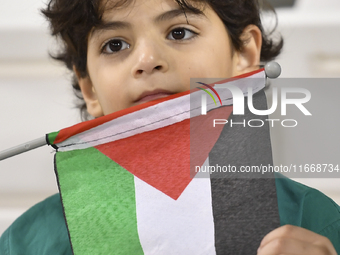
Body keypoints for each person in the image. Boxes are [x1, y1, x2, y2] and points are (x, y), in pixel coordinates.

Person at [0, 0, 339, 254]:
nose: (147, 60)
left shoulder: (314, 222)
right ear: (89, 88)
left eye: (180, 32)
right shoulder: (27, 242)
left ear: (245, 53)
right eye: (115, 44)